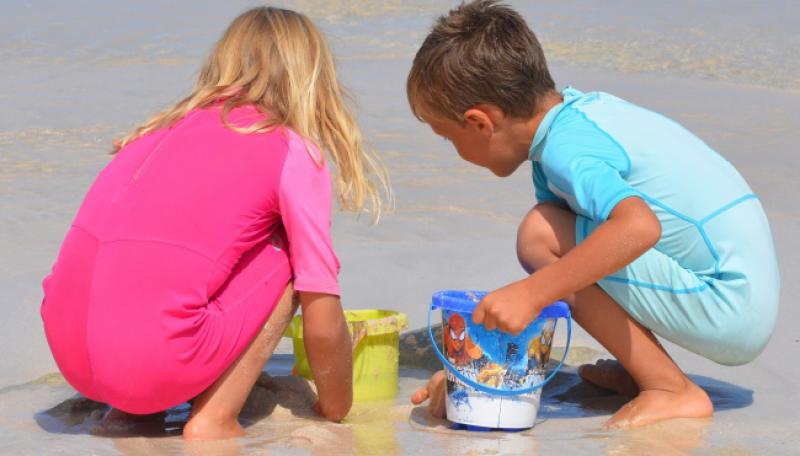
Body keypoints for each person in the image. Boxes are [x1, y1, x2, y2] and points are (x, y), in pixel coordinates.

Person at [408, 0, 779, 428]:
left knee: (539, 236)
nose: (453, 150)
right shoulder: (578, 116)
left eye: (446, 136)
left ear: (479, 123)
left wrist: (531, 294)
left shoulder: (567, 150)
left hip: (730, 306)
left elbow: (640, 227)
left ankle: (670, 388)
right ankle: (644, 368)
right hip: (736, 291)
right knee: (565, 235)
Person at [40, 6, 388, 440]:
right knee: (290, 251)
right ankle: (215, 417)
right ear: (313, 80)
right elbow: (320, 306)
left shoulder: (153, 131)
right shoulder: (288, 148)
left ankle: (130, 413)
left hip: (71, 352)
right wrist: (335, 409)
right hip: (153, 362)